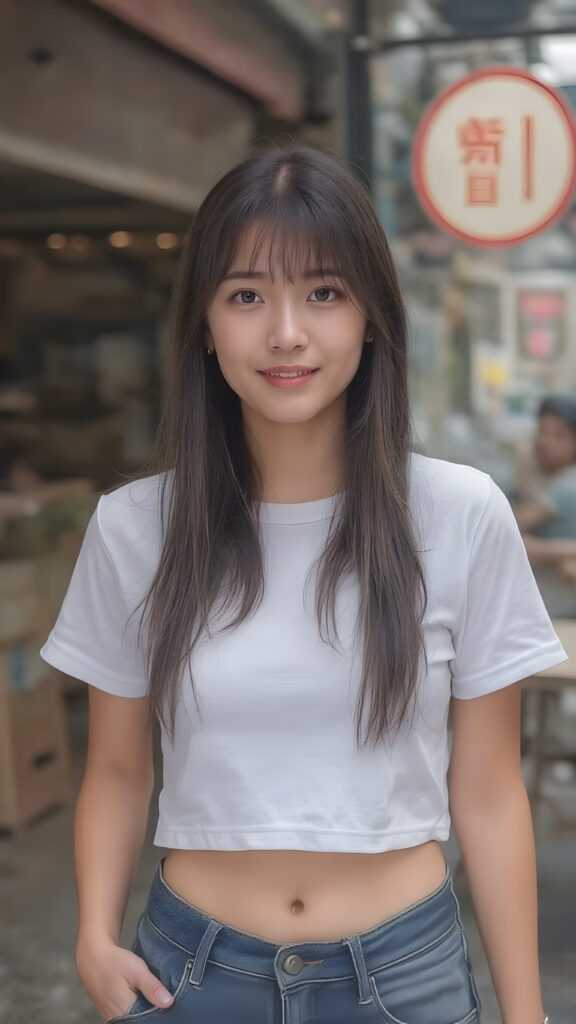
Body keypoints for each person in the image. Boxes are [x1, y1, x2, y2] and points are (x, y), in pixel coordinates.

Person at [39, 145, 564, 1024]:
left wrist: (527, 1015)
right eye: (247, 296)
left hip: (404, 978)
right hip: (191, 977)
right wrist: (94, 936)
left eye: (324, 293)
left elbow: (488, 791)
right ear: (205, 323)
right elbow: (120, 768)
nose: (287, 333)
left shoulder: (462, 513)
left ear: (371, 316)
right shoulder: (135, 527)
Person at [513, 394, 576, 617]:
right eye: (542, 431)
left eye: (559, 435)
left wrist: (539, 549)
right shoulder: (542, 474)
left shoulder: (567, 486)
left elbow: (510, 522)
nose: (545, 442)